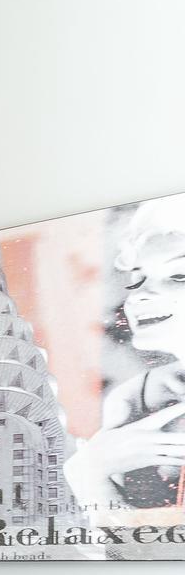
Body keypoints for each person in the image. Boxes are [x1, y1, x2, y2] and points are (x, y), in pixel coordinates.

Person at [64, 195, 185, 515]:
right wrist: (87, 474)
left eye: (179, 275)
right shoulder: (134, 398)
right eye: (137, 278)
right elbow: (120, 540)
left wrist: (87, 474)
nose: (138, 296)